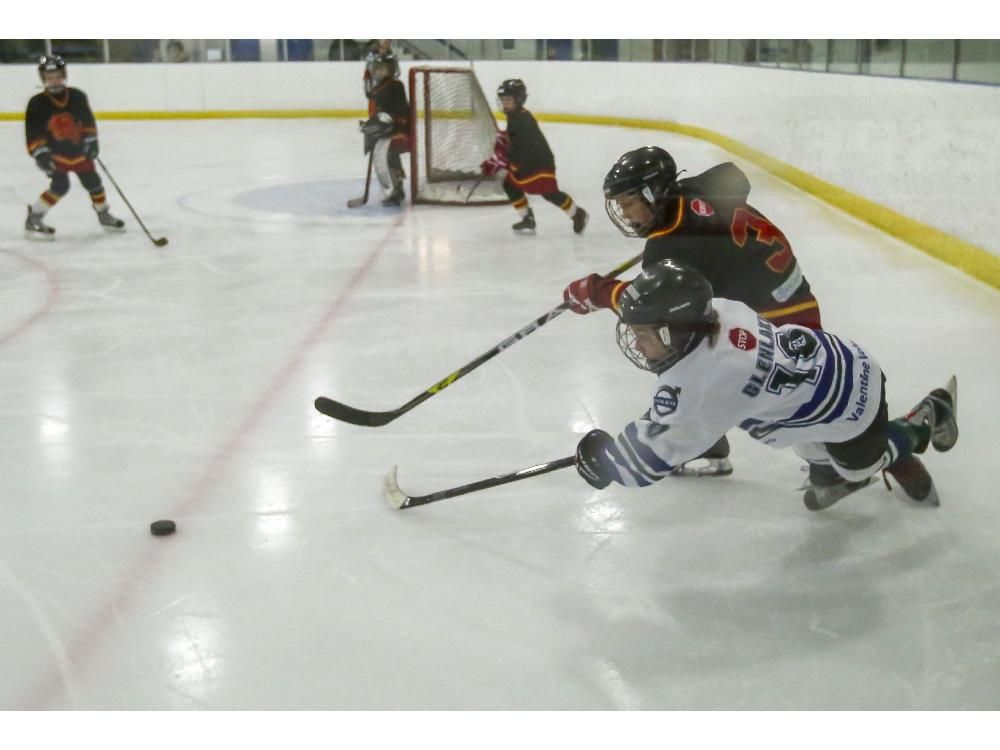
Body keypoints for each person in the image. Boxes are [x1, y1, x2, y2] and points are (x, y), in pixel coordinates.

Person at [573, 259, 959, 511]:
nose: (637, 343)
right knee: (810, 451)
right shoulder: (718, 310)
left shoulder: (705, 385)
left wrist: (608, 463)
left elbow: (647, 462)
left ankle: (923, 420)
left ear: (677, 329)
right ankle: (833, 470)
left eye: (646, 334)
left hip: (850, 404)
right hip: (826, 373)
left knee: (861, 466)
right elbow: (684, 406)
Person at [562, 145, 823, 476]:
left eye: (629, 203)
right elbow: (735, 176)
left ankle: (694, 437)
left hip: (774, 328)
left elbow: (649, 306)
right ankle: (712, 442)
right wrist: (709, 230)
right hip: (795, 300)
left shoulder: (670, 248)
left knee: (675, 345)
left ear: (652, 194)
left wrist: (596, 292)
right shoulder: (696, 190)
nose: (625, 214)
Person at [24, 55, 125, 237]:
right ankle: (34, 217)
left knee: (93, 182)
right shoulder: (37, 103)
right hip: (55, 153)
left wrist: (92, 142)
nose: (54, 80)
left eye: (57, 75)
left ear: (63, 75)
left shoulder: (77, 96)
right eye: (49, 76)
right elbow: (33, 131)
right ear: (43, 78)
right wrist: (40, 154)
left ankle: (103, 214)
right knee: (60, 186)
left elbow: (87, 121)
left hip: (78, 151)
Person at [480, 79, 587, 235]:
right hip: (525, 164)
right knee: (510, 185)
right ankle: (527, 218)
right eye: (503, 100)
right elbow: (515, 142)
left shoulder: (522, 119)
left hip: (538, 164)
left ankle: (577, 214)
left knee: (549, 193)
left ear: (519, 99)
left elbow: (522, 146)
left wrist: (501, 160)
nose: (505, 104)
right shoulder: (515, 116)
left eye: (508, 100)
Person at [359, 51, 410, 207]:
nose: (379, 72)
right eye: (377, 68)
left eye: (384, 69)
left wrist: (387, 123)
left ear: (392, 69)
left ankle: (394, 188)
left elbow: (401, 112)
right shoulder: (379, 87)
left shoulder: (395, 85)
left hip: (399, 130)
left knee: (384, 152)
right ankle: (395, 184)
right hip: (389, 129)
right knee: (383, 153)